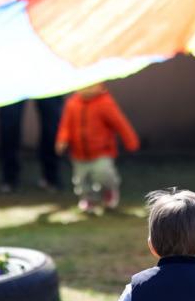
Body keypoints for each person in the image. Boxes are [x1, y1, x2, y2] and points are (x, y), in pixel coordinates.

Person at [0, 0, 64, 193]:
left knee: (52, 123)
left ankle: (51, 176)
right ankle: (10, 178)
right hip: (13, 61)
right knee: (10, 122)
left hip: (46, 59)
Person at [55, 82, 139, 212]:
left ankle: (109, 190)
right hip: (79, 153)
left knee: (103, 173)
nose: (87, 90)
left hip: (101, 151)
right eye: (84, 86)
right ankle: (88, 199)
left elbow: (120, 123)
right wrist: (62, 140)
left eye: (91, 86)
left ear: (101, 86)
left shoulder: (105, 103)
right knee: (82, 180)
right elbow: (65, 125)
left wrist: (131, 141)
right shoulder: (72, 104)